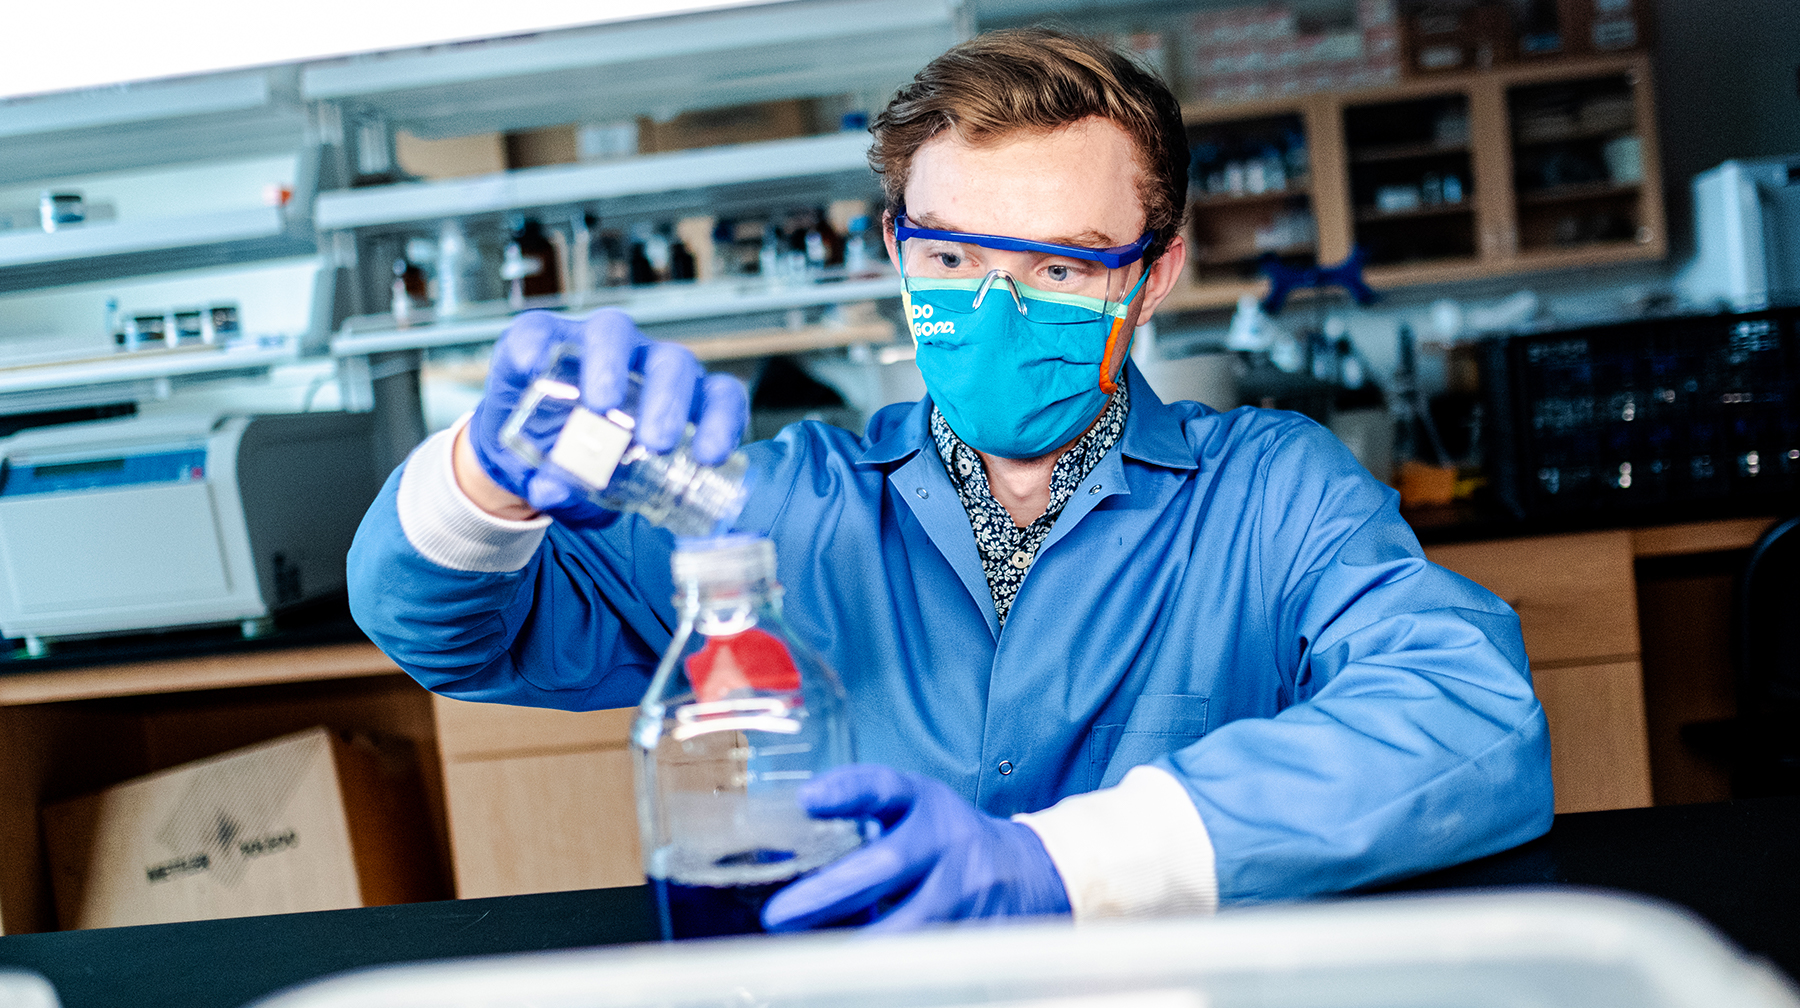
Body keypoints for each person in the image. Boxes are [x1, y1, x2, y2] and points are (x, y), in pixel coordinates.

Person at [348, 28, 1551, 930]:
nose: (992, 304)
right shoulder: (772, 504)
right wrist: (480, 480)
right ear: (895, 249)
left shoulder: (1270, 494)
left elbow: (1472, 717)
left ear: (1158, 269)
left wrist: (1065, 866)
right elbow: (456, 635)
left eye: (1066, 267)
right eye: (953, 253)